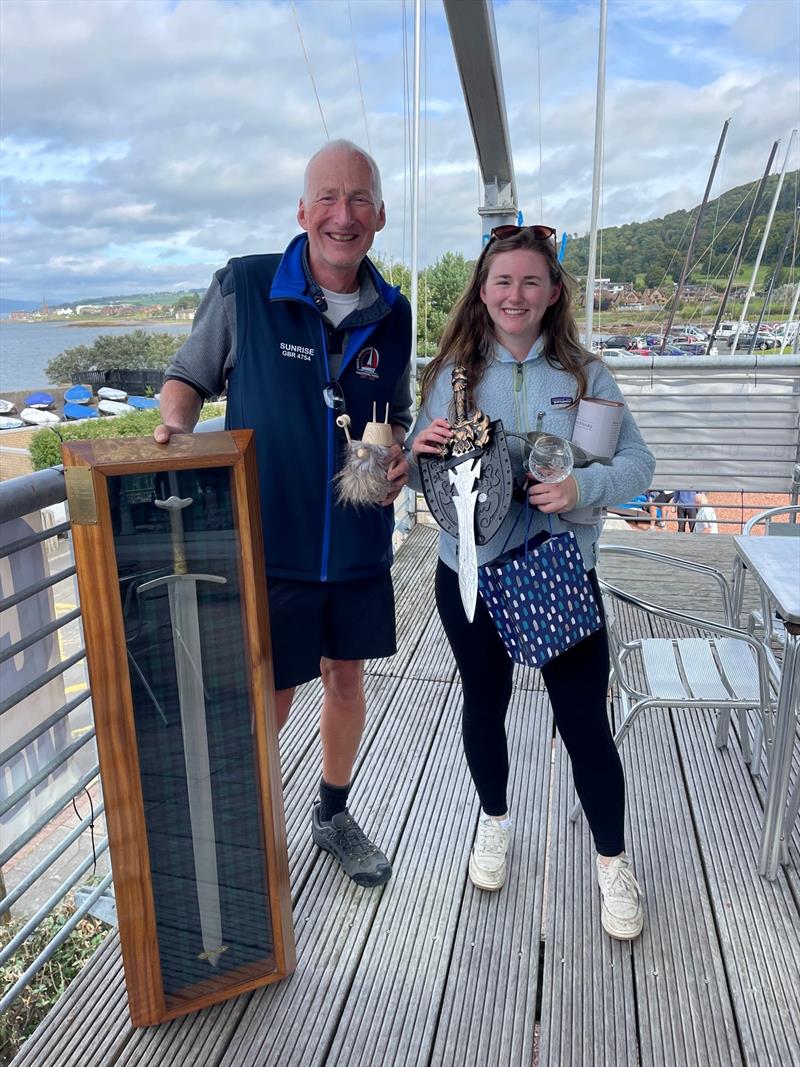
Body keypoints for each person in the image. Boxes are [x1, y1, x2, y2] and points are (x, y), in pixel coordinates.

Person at [155, 140, 412, 888]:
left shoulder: (391, 314)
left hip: (361, 541)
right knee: (272, 693)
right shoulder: (246, 285)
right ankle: (250, 823)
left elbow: (389, 411)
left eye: (359, 198)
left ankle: (331, 815)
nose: (343, 214)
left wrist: (397, 461)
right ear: (302, 212)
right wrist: (172, 428)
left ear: (379, 216)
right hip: (271, 543)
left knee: (346, 681)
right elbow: (188, 376)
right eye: (328, 198)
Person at [407, 225, 655, 940]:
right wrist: (422, 446)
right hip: (473, 578)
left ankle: (612, 863)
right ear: (483, 290)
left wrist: (583, 486)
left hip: (557, 575)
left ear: (552, 293)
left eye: (530, 282)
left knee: (583, 725)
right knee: (484, 705)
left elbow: (638, 467)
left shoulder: (584, 377)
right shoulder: (449, 373)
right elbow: (422, 469)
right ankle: (494, 821)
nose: (515, 294)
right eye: (502, 281)